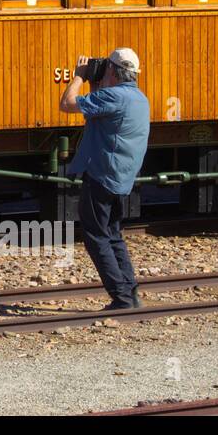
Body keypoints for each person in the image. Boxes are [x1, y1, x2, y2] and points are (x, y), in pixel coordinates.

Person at [58, 47, 150, 311]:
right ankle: (130, 292)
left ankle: (120, 296)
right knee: (112, 234)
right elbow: (103, 111)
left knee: (96, 236)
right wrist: (98, 82)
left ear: (112, 70)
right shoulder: (139, 99)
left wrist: (78, 76)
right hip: (122, 179)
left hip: (102, 176)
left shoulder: (113, 97)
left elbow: (67, 104)